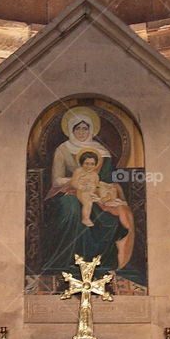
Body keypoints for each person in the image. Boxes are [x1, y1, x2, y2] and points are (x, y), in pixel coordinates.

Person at [41, 106, 136, 276]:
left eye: (85, 128)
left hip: (96, 195)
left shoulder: (101, 151)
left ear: (91, 129)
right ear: (71, 129)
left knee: (111, 220)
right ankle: (64, 262)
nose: (82, 132)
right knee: (71, 209)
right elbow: (56, 179)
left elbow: (105, 180)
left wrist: (106, 195)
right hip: (66, 193)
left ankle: (100, 263)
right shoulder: (62, 150)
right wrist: (78, 182)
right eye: (78, 128)